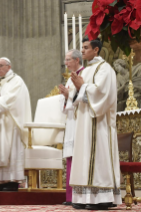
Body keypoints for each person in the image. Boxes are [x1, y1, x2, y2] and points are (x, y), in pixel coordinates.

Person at [70, 38, 121, 210]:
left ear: (96, 50)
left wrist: (82, 86)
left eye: (85, 48)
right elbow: (79, 96)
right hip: (85, 121)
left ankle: (102, 197)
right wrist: (78, 88)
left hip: (98, 123)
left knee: (98, 156)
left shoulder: (105, 69)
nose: (82, 51)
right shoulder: (86, 70)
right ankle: (84, 197)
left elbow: (102, 94)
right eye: (81, 48)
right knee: (84, 156)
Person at [0, 57, 32, 191]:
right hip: (1, 121)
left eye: (1, 66)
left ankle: (12, 181)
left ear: (9, 67)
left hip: (13, 121)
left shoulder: (16, 80)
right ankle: (1, 181)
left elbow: (13, 99)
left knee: (11, 150)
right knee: (0, 149)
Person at [58, 49, 84, 206]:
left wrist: (69, 96)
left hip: (80, 121)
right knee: (70, 157)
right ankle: (70, 196)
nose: (66, 63)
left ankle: (78, 196)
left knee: (78, 157)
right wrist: (66, 96)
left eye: (68, 60)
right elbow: (65, 102)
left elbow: (84, 97)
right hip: (71, 121)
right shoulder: (70, 78)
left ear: (77, 60)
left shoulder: (84, 75)